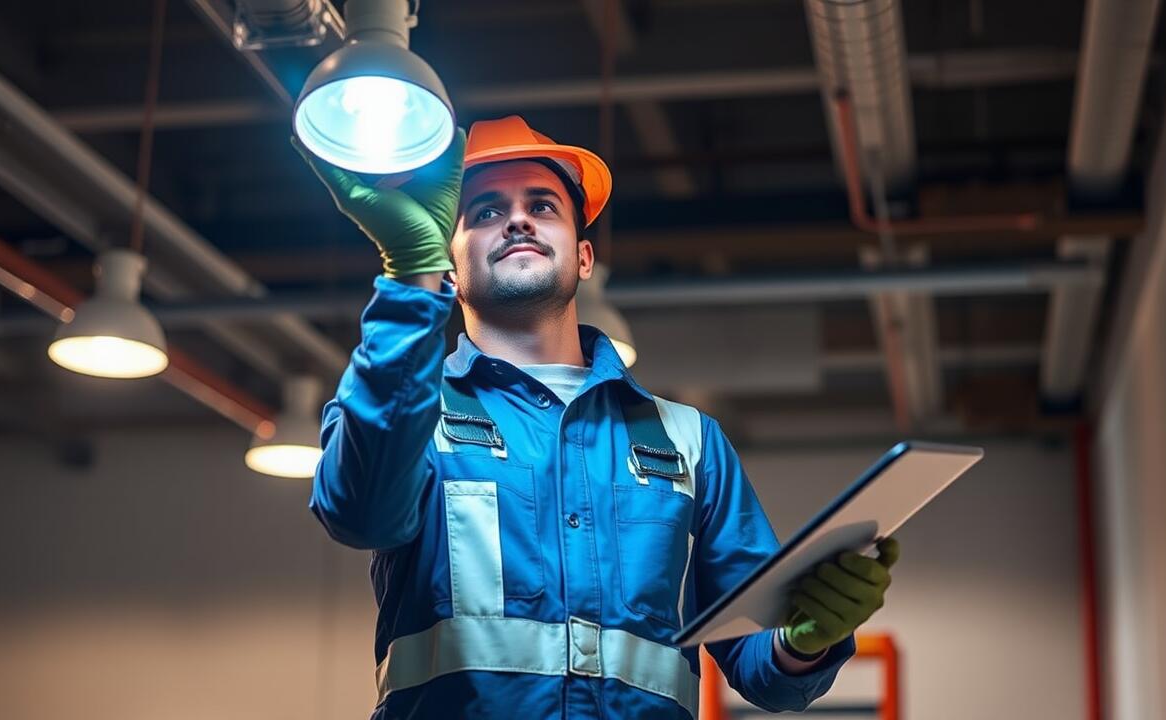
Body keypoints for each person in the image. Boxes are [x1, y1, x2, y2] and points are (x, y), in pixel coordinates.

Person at [297, 115, 900, 719]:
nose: (516, 219)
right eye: (483, 212)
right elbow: (361, 513)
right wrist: (409, 274)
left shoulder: (687, 439)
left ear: (584, 257)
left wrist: (805, 640)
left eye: (542, 205)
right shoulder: (408, 413)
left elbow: (759, 663)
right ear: (450, 270)